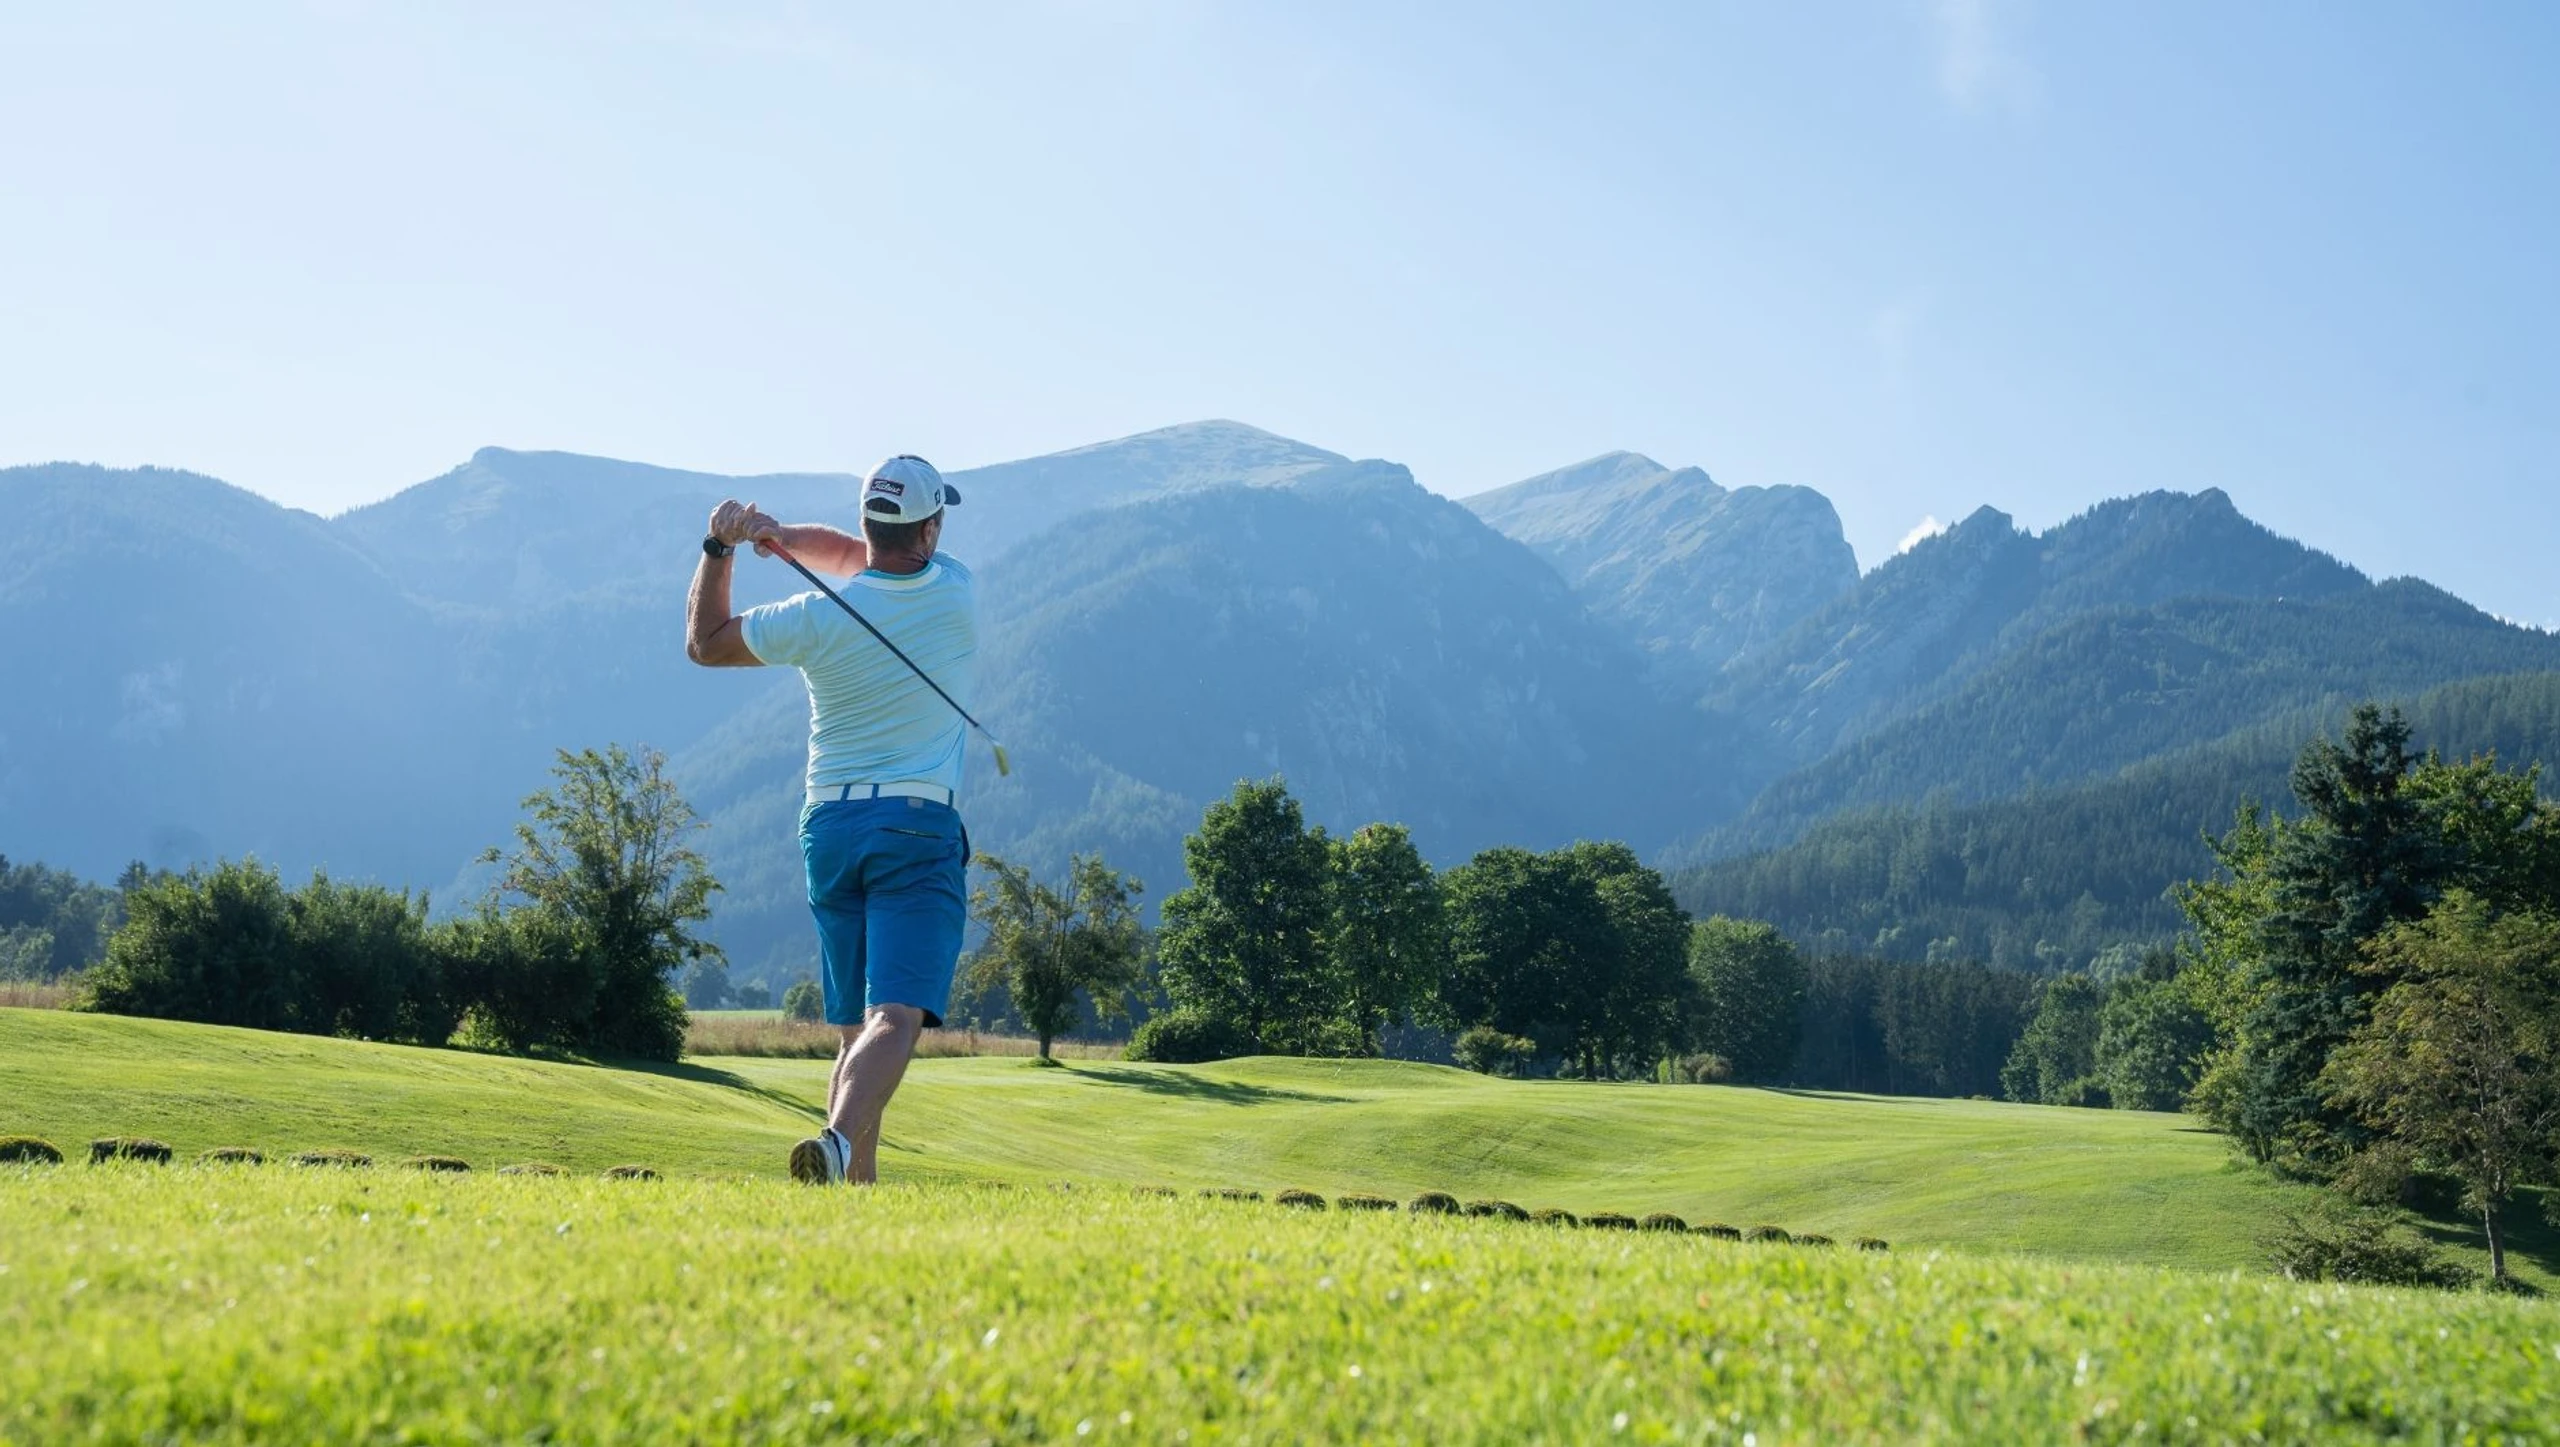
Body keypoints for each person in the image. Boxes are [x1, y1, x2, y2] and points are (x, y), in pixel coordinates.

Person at [685, 455, 978, 1185]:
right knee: (896, 1017)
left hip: (830, 828)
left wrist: (722, 549)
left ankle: (854, 1191)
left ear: (868, 522)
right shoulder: (955, 590)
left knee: (857, 1029)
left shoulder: (818, 617)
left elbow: (707, 642)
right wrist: (783, 538)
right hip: (914, 827)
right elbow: (859, 559)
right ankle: (839, 1142)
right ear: (932, 528)